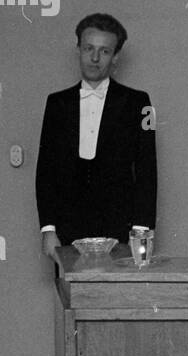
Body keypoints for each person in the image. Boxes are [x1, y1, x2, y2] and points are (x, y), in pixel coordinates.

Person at [36, 13, 157, 257]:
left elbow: (147, 170)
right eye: (88, 48)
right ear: (78, 49)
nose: (94, 58)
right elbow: (45, 170)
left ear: (115, 57)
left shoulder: (141, 103)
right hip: (67, 227)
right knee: (70, 294)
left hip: (120, 229)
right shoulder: (56, 103)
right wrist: (48, 230)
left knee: (119, 295)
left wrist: (141, 233)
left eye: (104, 51)